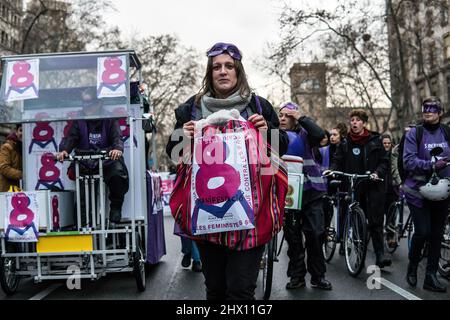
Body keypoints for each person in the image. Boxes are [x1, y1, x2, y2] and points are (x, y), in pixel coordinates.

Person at [166, 42, 288, 300]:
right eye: (216, 67)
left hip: (250, 216)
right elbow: (173, 153)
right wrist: (183, 137)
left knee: (241, 290)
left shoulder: (259, 106)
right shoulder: (192, 108)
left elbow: (281, 149)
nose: (223, 71)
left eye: (229, 66)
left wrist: (267, 131)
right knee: (216, 290)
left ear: (238, 71)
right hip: (208, 216)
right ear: (210, 73)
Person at [325, 109, 391, 268]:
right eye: (352, 120)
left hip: (373, 185)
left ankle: (380, 255)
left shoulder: (375, 140)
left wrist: (377, 173)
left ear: (364, 123)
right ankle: (358, 249)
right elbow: (337, 160)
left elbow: (384, 161)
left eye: (358, 120)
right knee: (356, 219)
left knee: (375, 222)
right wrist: (332, 169)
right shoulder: (345, 142)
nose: (354, 122)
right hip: (354, 185)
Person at [279, 102, 332, 290]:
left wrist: (301, 117)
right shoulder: (277, 136)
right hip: (289, 195)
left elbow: (320, 135)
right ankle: (297, 276)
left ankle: (318, 277)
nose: (283, 118)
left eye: (287, 115)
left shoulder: (306, 134)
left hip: (312, 192)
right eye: (281, 115)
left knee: (315, 235)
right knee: (293, 238)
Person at [57, 88, 129, 224]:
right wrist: (64, 150)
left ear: (99, 103)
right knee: (83, 196)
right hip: (85, 161)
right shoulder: (79, 119)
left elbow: (117, 138)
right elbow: (71, 137)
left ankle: (116, 206)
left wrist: (117, 149)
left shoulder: (109, 118)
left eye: (89, 103)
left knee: (118, 174)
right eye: (83, 103)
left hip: (106, 160)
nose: (86, 107)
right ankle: (83, 224)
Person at [403, 96, 449, 293]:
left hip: (443, 191)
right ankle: (412, 265)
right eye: (425, 108)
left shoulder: (447, 132)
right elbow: (408, 161)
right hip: (417, 191)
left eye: (432, 108)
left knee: (437, 235)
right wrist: (431, 165)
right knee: (423, 231)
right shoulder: (415, 133)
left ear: (440, 112)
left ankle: (430, 276)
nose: (428, 111)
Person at [0, 124, 22, 192]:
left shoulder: (25, 147)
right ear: (16, 131)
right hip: (8, 190)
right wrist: (23, 175)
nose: (23, 133)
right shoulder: (7, 147)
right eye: (21, 130)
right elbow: (4, 168)